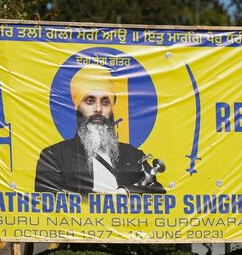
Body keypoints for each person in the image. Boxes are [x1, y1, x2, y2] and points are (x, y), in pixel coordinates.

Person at [35, 65, 165, 194]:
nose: (98, 109)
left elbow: (159, 193)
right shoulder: (54, 156)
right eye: (90, 101)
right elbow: (47, 200)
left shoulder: (133, 154)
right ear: (77, 107)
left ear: (111, 108)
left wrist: (125, 192)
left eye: (105, 102)